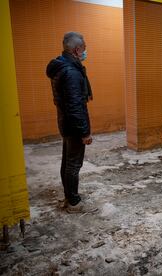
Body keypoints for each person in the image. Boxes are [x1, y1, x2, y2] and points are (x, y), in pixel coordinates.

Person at [46, 32, 96, 213]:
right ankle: (74, 202)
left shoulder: (61, 67)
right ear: (77, 49)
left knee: (68, 162)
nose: (85, 51)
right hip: (74, 125)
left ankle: (69, 197)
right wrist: (85, 132)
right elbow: (75, 106)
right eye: (84, 48)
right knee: (74, 164)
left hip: (65, 122)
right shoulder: (71, 71)